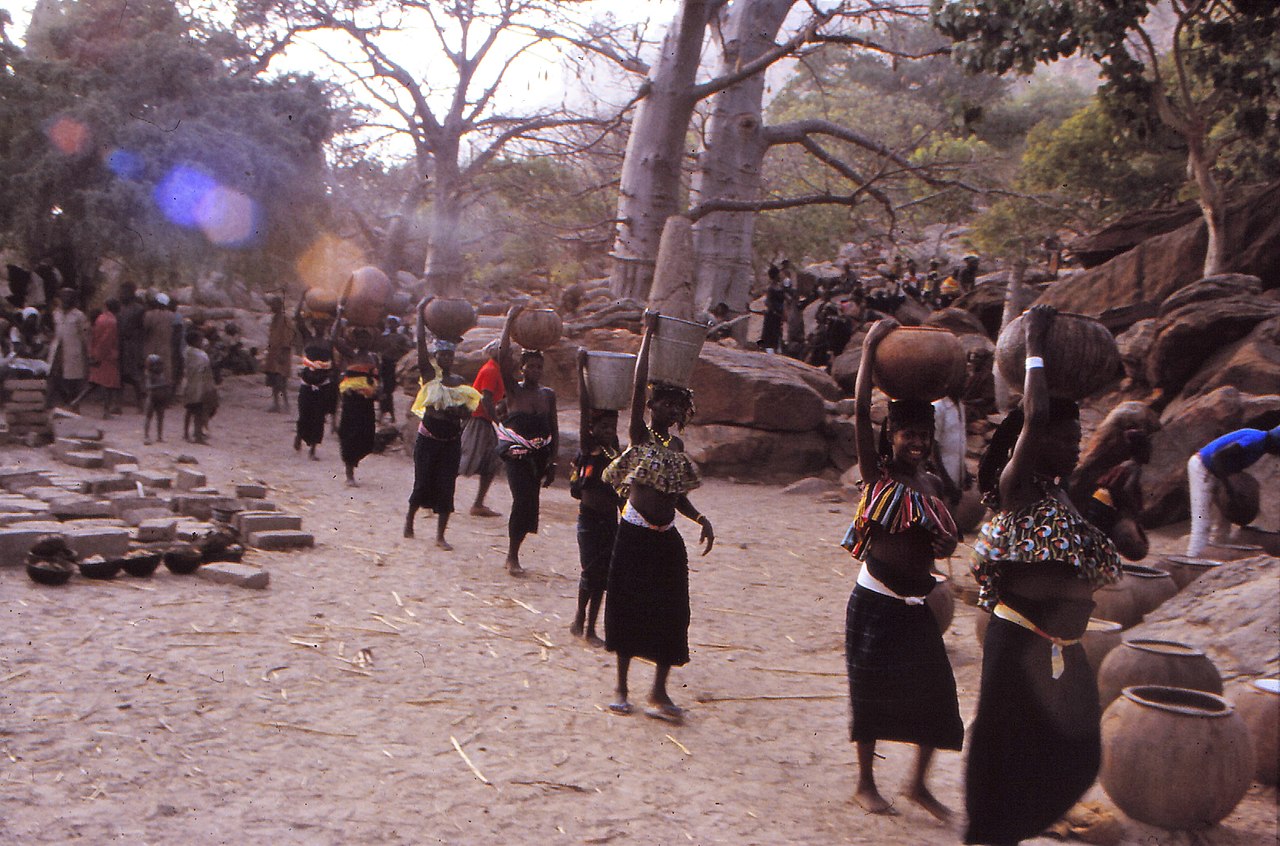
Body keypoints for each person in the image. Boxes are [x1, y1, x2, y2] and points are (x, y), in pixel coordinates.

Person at [965, 305, 1124, 846]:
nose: (1079, 443)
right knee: (1004, 745)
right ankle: (991, 834)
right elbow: (1032, 417)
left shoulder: (1059, 495)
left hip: (1063, 643)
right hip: (1020, 639)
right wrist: (1033, 341)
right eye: (1070, 435)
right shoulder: (1019, 487)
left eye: (1081, 434)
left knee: (1079, 754)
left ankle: (1018, 824)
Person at [840, 318, 962, 820]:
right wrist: (869, 349)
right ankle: (865, 783)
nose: (916, 442)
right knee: (870, 693)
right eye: (907, 434)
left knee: (936, 696)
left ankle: (917, 785)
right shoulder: (879, 474)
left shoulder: (931, 484)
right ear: (890, 436)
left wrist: (947, 539)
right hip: (877, 601)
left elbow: (947, 536)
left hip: (917, 605)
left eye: (923, 435)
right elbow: (857, 416)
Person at [602, 311, 713, 724]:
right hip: (632, 533)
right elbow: (635, 385)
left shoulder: (676, 445)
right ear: (651, 406)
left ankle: (659, 692)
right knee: (627, 608)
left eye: (676, 402)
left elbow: (676, 495)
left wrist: (699, 517)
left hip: (666, 536)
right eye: (663, 401)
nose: (670, 408)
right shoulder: (640, 435)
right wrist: (648, 335)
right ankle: (622, 687)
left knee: (671, 611)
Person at [403, 297, 481, 551]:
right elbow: (420, 345)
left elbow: (467, 411)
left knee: (447, 487)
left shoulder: (459, 381)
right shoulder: (429, 375)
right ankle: (410, 520)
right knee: (423, 481)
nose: (446, 358)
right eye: (442, 355)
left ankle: (440, 535)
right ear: (437, 356)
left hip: (450, 441)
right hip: (428, 439)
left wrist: (459, 412)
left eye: (450, 354)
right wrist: (419, 315)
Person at [496, 305, 558, 576]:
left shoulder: (548, 395)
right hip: (516, 455)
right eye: (530, 366)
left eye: (538, 366)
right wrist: (509, 321)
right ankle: (511, 556)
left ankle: (515, 550)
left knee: (530, 506)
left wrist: (553, 462)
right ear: (521, 368)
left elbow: (552, 429)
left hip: (539, 457)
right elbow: (501, 357)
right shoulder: (513, 391)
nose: (534, 370)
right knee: (521, 501)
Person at [569, 348, 623, 647]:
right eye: (603, 426)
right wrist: (581, 371)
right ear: (592, 428)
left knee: (603, 578)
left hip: (610, 520)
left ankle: (589, 627)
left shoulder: (615, 449)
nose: (608, 430)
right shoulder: (588, 445)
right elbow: (583, 407)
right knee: (590, 573)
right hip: (589, 520)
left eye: (611, 427)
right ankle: (581, 620)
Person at [1186, 425, 1280, 556]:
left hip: (1218, 472)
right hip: (1202, 467)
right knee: (1202, 523)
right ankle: (1192, 562)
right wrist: (1230, 490)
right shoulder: (1255, 439)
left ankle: (1216, 561)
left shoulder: (1261, 446)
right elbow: (1218, 458)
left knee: (1223, 527)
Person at [458, 339, 507, 518]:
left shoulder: (494, 369)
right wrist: (497, 421)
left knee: (489, 462)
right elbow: (486, 398)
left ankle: (478, 504)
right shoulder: (491, 370)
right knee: (466, 460)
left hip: (482, 419)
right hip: (480, 420)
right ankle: (435, 494)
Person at [332, 318, 380, 487]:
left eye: (367, 338)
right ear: (356, 340)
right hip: (351, 401)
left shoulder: (373, 357)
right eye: (361, 338)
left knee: (367, 438)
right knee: (350, 435)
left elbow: (376, 378)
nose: (364, 341)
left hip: (367, 402)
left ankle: (353, 462)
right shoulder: (350, 354)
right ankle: (349, 472)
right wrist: (338, 317)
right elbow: (333, 338)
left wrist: (378, 393)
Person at [74, 298, 122, 418]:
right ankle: (105, 411)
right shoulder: (112, 321)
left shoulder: (101, 318)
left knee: (94, 383)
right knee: (107, 384)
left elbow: (95, 337)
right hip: (106, 357)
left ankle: (75, 402)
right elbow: (106, 341)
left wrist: (93, 354)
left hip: (98, 354)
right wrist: (100, 356)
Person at [49, 288, 89, 410]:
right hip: (57, 351)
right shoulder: (56, 314)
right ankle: (63, 403)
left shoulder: (79, 316)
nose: (66, 299)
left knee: (73, 379)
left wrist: (87, 352)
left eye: (69, 297)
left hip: (73, 350)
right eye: (64, 296)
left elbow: (85, 336)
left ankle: (75, 405)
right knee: (55, 377)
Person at [180, 329, 216, 444]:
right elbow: (206, 367)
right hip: (199, 386)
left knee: (189, 410)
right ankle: (198, 435)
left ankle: (186, 433)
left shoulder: (186, 352)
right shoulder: (201, 355)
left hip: (188, 384)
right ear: (196, 341)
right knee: (199, 411)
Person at [376, 315, 413, 424]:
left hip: (395, 365)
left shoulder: (401, 338)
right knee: (385, 390)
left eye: (393, 323)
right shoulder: (384, 338)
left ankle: (385, 414)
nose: (391, 325)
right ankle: (388, 414)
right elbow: (379, 350)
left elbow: (408, 350)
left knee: (387, 391)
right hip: (385, 365)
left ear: (397, 325)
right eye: (389, 323)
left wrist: (399, 349)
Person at [116, 282, 147, 410]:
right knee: (120, 376)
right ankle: (117, 405)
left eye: (125, 292)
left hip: (133, 346)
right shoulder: (118, 308)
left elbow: (142, 329)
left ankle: (141, 404)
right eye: (121, 292)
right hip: (121, 344)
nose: (122, 295)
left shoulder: (139, 309)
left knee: (135, 376)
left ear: (131, 293)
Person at [263, 294, 294, 413]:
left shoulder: (285, 319)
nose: (271, 307)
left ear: (279, 305)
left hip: (281, 354)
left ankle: (286, 405)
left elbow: (287, 338)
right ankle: (276, 404)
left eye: (273, 305)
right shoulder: (274, 319)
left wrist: (282, 352)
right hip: (273, 354)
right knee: (273, 381)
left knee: (281, 382)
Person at [143, 293, 175, 386]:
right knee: (166, 371)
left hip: (151, 347)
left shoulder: (149, 315)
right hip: (166, 348)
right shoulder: (172, 316)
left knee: (150, 371)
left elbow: (145, 329)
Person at [142, 353, 171, 444]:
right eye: (156, 365)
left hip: (161, 399)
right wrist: (162, 385)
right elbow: (149, 387)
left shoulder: (161, 375)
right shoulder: (150, 375)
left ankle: (159, 436)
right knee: (148, 417)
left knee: (160, 418)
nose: (158, 367)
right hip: (152, 398)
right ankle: (146, 435)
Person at [758, 265, 785, 352]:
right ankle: (761, 348)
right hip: (772, 314)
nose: (780, 276)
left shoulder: (780, 287)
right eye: (778, 274)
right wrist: (774, 311)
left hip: (778, 314)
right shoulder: (771, 288)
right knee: (767, 333)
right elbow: (768, 302)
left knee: (776, 334)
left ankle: (774, 351)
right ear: (776, 275)